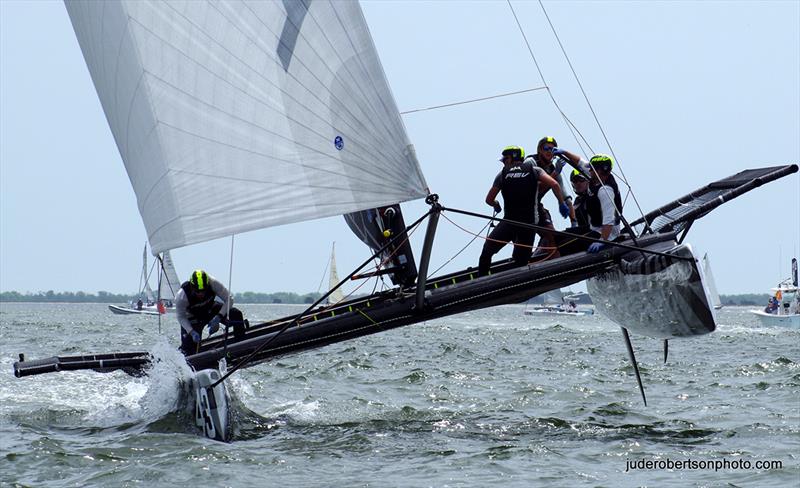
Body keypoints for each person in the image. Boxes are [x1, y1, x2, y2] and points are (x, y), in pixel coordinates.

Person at [478, 146, 568, 276]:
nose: (504, 162)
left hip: (509, 222)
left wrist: (496, 205)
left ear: (512, 157)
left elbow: (489, 199)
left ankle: (482, 280)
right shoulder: (535, 170)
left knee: (487, 251)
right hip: (529, 225)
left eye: (505, 159)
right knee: (521, 262)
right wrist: (561, 203)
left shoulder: (502, 174)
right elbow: (554, 184)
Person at [523, 137, 577, 257]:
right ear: (539, 150)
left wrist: (574, 222)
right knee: (524, 241)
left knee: (552, 236)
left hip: (537, 206)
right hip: (522, 207)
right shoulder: (530, 162)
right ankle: (524, 262)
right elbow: (534, 189)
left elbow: (566, 198)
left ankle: (550, 259)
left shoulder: (553, 168)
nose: (549, 151)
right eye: (546, 148)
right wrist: (554, 173)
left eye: (552, 149)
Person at [175, 269, 247, 355]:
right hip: (193, 317)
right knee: (188, 349)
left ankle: (240, 345)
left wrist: (219, 317)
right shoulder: (181, 296)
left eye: (204, 290)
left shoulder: (213, 283)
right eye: (198, 291)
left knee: (236, 314)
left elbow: (229, 299)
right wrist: (191, 332)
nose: (201, 294)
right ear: (192, 287)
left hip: (210, 309)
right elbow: (181, 317)